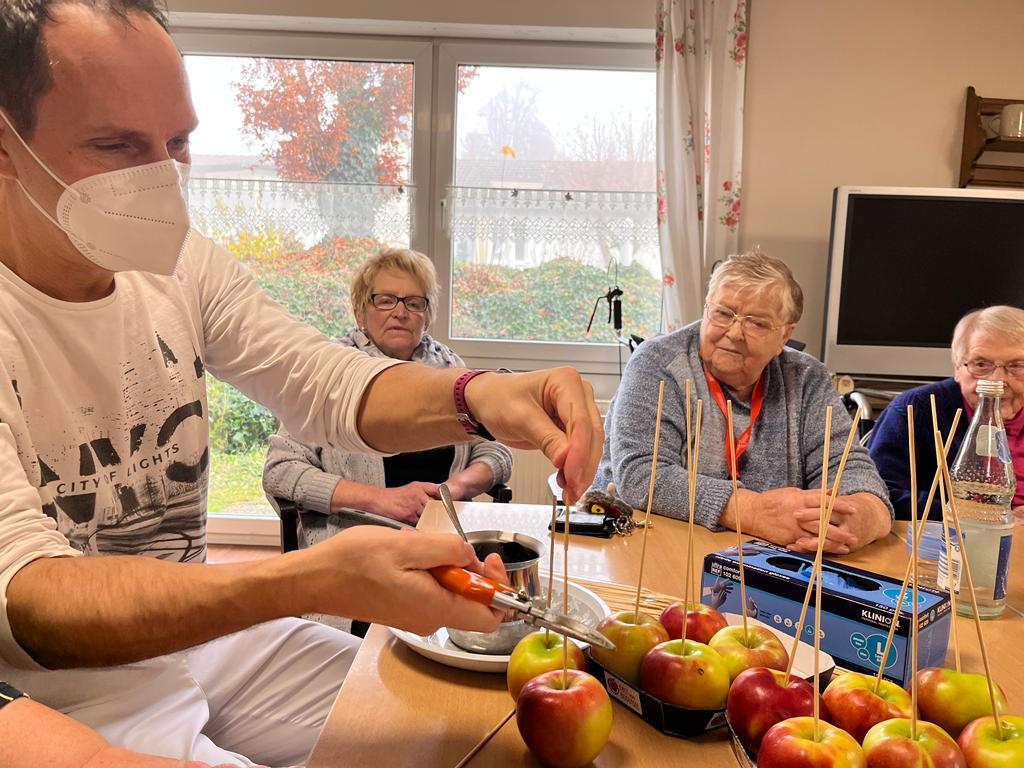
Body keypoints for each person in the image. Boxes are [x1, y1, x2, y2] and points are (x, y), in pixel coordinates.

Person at [0, 2, 602, 765]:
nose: (159, 177)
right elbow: (32, 602)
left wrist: (476, 396)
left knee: (451, 726)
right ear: (6, 144)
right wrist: (302, 581)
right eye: (116, 145)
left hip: (197, 644)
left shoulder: (181, 268)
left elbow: (323, 381)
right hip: (52, 692)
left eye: (178, 142)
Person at [592, 249, 893, 555]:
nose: (734, 333)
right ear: (706, 309)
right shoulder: (657, 363)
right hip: (647, 551)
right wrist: (754, 511)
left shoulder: (806, 378)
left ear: (784, 337)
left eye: (757, 323)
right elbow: (642, 477)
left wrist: (864, 515)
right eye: (723, 314)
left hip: (766, 563)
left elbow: (848, 468)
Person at [263, 248, 514, 533]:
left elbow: (496, 450)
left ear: (427, 316)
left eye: (414, 302)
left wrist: (452, 489)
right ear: (360, 313)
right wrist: (382, 501)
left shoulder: (451, 368)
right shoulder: (328, 373)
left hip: (445, 532)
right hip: (356, 538)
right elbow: (280, 470)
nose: (400, 312)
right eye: (385, 301)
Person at [869, 305, 1024, 523]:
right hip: (944, 544)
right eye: (981, 364)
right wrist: (978, 516)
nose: (997, 380)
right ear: (957, 369)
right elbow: (877, 495)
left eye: (1016, 365)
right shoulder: (916, 409)